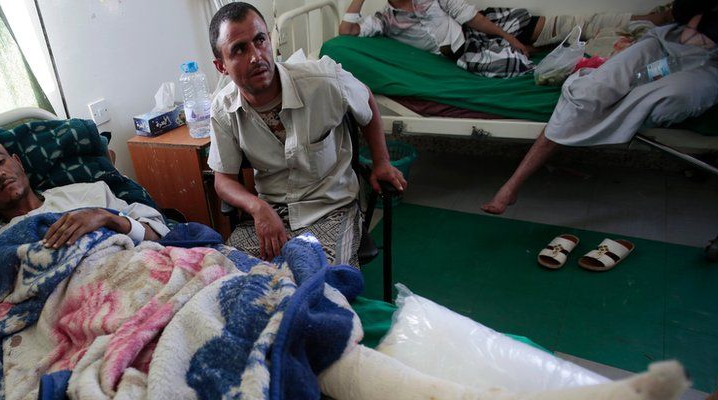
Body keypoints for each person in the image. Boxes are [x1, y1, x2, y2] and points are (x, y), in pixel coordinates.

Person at [207, 2, 408, 267]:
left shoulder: (322, 81)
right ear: (221, 66)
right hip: (273, 211)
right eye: (239, 50)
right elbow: (223, 180)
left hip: (331, 210)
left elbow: (366, 98)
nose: (256, 56)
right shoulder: (223, 109)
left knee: (315, 284)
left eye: (260, 40)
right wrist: (258, 207)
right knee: (221, 274)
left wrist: (381, 161)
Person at [482, 0, 718, 214]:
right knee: (588, 93)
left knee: (667, 102)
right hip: (669, 42)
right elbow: (678, 12)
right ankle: (511, 187)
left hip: (709, 63)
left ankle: (622, 105)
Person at [0, 137, 170, 276]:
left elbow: (160, 235)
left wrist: (106, 218)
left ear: (18, 162)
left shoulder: (88, 192)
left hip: (136, 272)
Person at [339, 0, 672, 78]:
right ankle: (637, 41)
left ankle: (647, 20)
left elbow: (471, 16)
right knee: (521, 63)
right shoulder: (385, 19)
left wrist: (508, 36)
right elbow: (347, 33)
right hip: (464, 52)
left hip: (483, 26)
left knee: (564, 25)